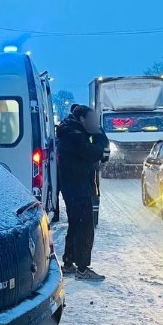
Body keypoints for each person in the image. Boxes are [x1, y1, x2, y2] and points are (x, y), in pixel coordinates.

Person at [56, 104, 109, 281]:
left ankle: (69, 263)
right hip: (78, 187)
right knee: (85, 227)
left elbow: (100, 154)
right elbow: (92, 153)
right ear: (82, 119)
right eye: (92, 119)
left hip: (73, 187)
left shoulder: (72, 131)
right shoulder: (75, 136)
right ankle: (82, 268)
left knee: (75, 225)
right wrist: (100, 135)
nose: (95, 123)